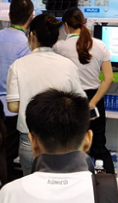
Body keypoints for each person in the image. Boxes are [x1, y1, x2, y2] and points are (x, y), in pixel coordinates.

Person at [6, 12, 85, 175]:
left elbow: (13, 106)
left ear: (32, 36)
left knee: (31, 185)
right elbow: (78, 103)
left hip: (30, 139)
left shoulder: (18, 65)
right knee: (60, 185)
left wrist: (29, 102)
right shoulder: (68, 65)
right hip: (62, 138)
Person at [55, 8, 115, 173]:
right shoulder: (100, 45)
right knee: (98, 145)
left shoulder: (60, 47)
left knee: (70, 145)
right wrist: (93, 102)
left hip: (70, 99)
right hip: (94, 99)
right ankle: (108, 182)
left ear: (66, 25)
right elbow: (109, 78)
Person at [0, 0, 33, 182]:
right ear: (31, 17)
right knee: (10, 157)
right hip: (14, 108)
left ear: (10, 15)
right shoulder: (25, 43)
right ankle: (6, 189)